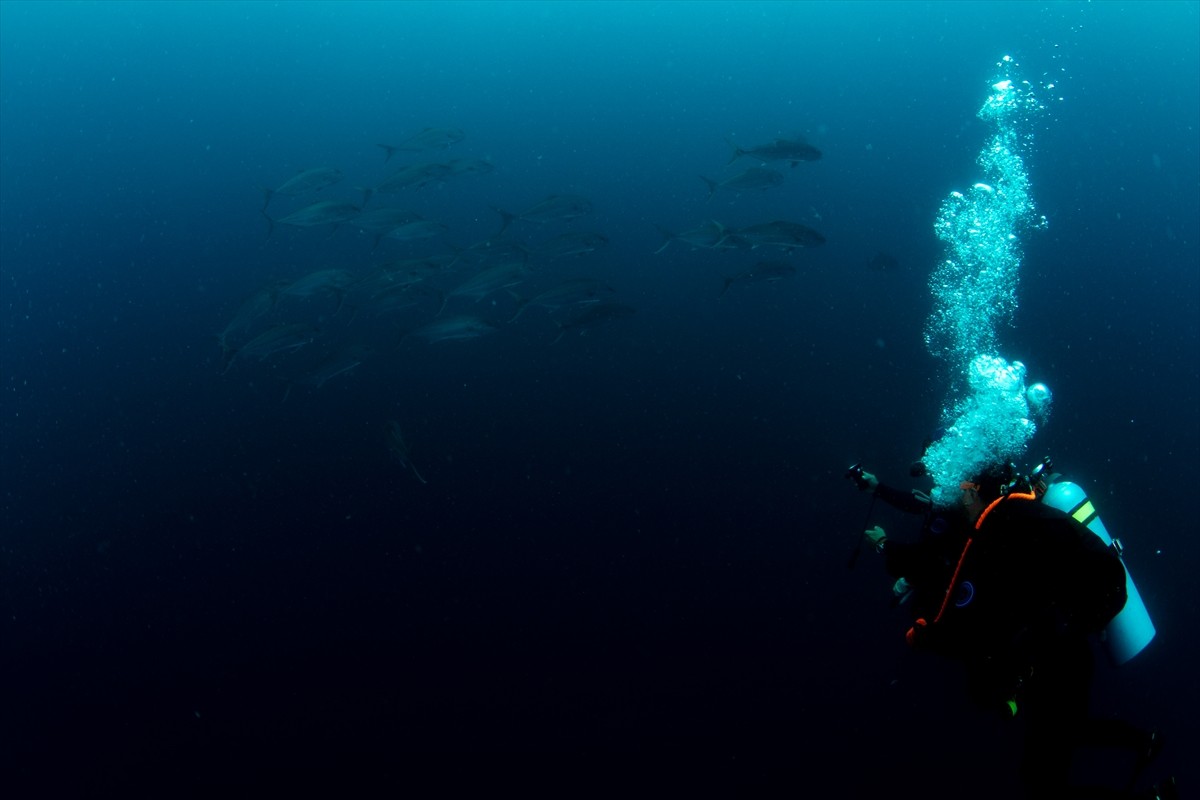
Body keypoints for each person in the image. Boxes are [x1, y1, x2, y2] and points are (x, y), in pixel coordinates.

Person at [850, 464, 1177, 800]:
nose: (958, 499)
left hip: (1057, 659)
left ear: (975, 490)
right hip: (1063, 655)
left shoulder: (1005, 528)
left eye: (962, 490)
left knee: (1041, 779)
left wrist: (929, 634)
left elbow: (978, 616)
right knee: (1066, 733)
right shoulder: (1013, 517)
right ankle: (1144, 745)